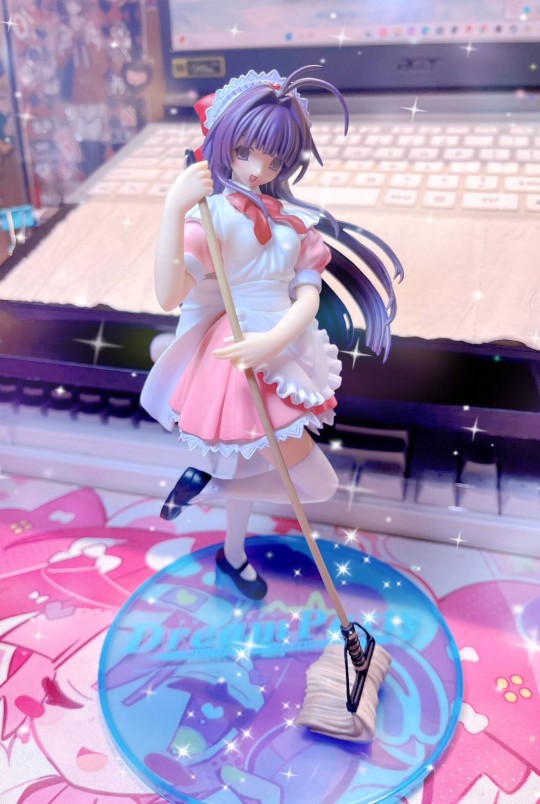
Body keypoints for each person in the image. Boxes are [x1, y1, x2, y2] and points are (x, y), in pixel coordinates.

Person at [141, 66, 403, 600]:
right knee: (318, 482)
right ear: (222, 145)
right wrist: (172, 209)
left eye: (274, 159)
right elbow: (169, 295)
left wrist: (274, 341)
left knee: (260, 467)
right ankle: (218, 506)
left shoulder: (292, 227)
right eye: (245, 152)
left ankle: (229, 543)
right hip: (239, 358)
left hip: (278, 350)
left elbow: (308, 298)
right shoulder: (211, 218)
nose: (259, 168)